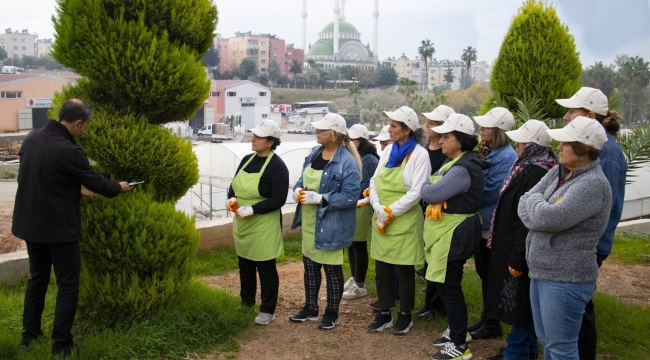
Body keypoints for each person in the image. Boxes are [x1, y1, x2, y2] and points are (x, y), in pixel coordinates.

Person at [12, 99, 133, 356]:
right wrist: (119, 188)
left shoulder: (32, 139)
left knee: (38, 279)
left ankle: (29, 336)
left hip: (31, 225)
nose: (83, 131)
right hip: (58, 229)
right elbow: (100, 184)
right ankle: (62, 344)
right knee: (68, 284)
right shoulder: (69, 150)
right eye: (85, 127)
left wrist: (74, 189)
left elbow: (42, 176)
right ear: (77, 123)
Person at [518, 117, 612, 360]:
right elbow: (523, 200)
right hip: (542, 271)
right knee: (548, 342)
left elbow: (550, 218)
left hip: (566, 278)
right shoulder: (560, 172)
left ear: (583, 151)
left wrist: (536, 207)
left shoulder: (592, 184)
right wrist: (538, 208)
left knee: (562, 348)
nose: (558, 147)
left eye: (565, 143)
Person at [555, 87, 627, 360]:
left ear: (591, 116)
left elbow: (597, 206)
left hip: (588, 243)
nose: (566, 116)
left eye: (572, 112)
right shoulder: (601, 149)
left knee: (578, 305)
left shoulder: (605, 154)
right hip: (581, 241)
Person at [484, 120, 558, 360]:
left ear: (534, 145)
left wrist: (517, 255)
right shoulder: (527, 165)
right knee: (520, 300)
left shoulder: (538, 171)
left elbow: (528, 218)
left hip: (521, 247)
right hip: (512, 243)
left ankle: (516, 351)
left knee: (520, 303)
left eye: (522, 141)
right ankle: (526, 348)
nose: (516, 144)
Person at [421, 114, 488, 360]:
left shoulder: (462, 168)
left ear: (460, 141)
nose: (441, 139)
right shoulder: (456, 163)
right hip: (449, 232)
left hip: (454, 234)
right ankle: (458, 332)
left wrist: (425, 186)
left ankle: (460, 346)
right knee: (448, 284)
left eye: (447, 136)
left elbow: (430, 193)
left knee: (449, 287)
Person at [289, 113, 361, 330]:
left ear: (334, 134)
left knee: (331, 270)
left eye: (321, 130)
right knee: (310, 266)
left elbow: (351, 196)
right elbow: (302, 179)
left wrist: (322, 198)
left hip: (331, 224)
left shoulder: (346, 162)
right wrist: (298, 191)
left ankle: (332, 312)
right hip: (311, 222)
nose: (316, 132)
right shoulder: (315, 152)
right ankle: (310, 308)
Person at [366, 106, 431, 335]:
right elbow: (374, 180)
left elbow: (417, 192)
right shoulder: (388, 151)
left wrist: (391, 211)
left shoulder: (420, 155)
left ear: (407, 130)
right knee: (382, 268)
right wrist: (376, 206)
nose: (389, 129)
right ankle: (384, 312)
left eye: (393, 126)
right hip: (381, 216)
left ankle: (405, 314)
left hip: (403, 219)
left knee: (403, 270)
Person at [227, 120, 289, 326]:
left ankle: (267, 309)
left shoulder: (277, 167)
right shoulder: (246, 160)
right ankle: (246, 301)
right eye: (253, 136)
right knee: (245, 263)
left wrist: (253, 209)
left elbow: (279, 199)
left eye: (259, 137)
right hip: (242, 222)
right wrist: (232, 200)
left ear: (270, 142)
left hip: (264, 223)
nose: (253, 140)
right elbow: (233, 186)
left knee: (265, 266)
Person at [469, 107, 517, 340]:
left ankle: (492, 322)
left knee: (490, 273)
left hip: (491, 224)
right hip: (484, 222)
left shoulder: (506, 157)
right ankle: (487, 317)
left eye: (486, 127)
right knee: (484, 272)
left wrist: (466, 196)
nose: (481, 130)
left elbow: (490, 192)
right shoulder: (492, 153)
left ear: (498, 131)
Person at [415, 104, 456, 320]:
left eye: (433, 123)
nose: (427, 126)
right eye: (428, 122)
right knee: (427, 259)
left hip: (437, 212)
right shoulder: (423, 150)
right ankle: (429, 302)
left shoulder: (445, 155)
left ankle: (435, 304)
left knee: (436, 261)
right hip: (422, 209)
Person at [343, 124, 379, 300]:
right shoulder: (357, 157)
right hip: (353, 204)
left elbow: (365, 186)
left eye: (352, 140)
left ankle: (360, 284)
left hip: (362, 205)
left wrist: (348, 195)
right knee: (351, 243)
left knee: (358, 243)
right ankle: (355, 277)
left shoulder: (369, 160)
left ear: (361, 141)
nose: (349, 143)